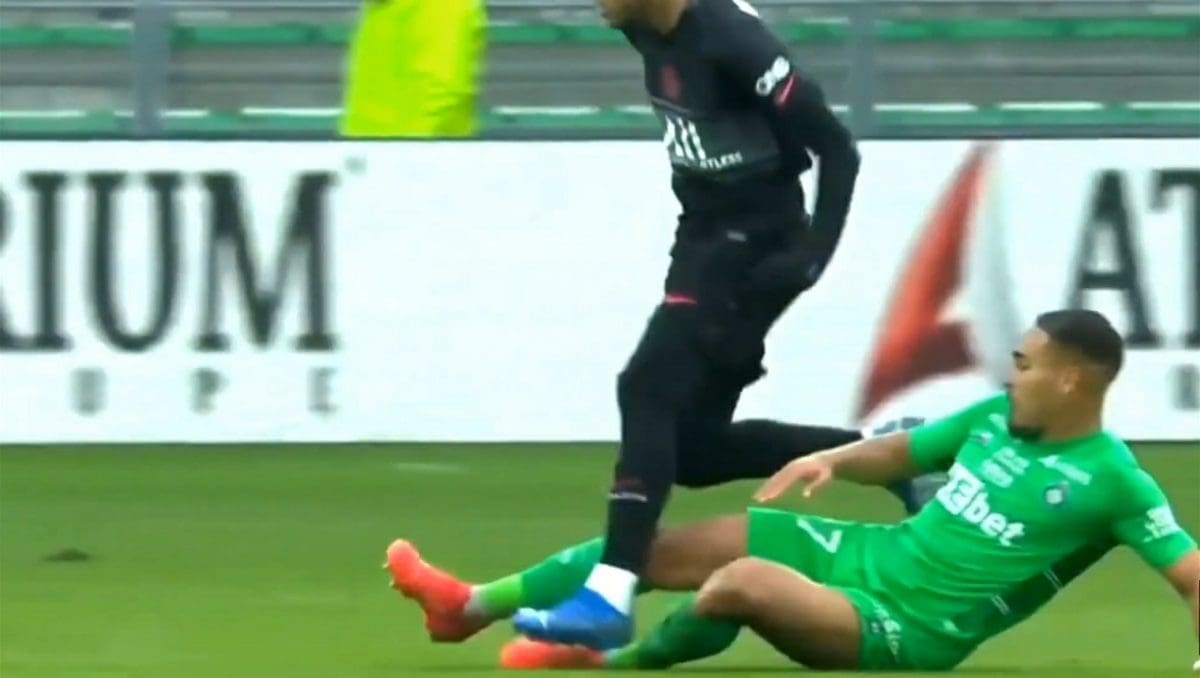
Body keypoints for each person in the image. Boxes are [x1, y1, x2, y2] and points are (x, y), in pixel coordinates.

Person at [387, 309, 1200, 671]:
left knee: (741, 583)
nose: (1011, 376)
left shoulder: (1112, 480)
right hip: (871, 554)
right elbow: (904, 452)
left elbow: (1192, 576)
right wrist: (836, 462)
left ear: (1070, 380)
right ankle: (469, 606)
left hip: (907, 630)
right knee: (668, 548)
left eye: (1025, 365)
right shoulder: (993, 418)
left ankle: (616, 661)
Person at [510, 0, 862, 649]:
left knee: (646, 387)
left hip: (755, 244)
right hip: (702, 235)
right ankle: (887, 452)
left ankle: (609, 594)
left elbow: (837, 148)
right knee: (693, 450)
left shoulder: (734, 42)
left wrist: (812, 255)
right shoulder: (642, 23)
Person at [340, 0, 485, 138]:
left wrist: (409, 150)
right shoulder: (382, 9)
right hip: (371, 146)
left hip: (407, 149)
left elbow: (440, 88)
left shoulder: (440, 6)